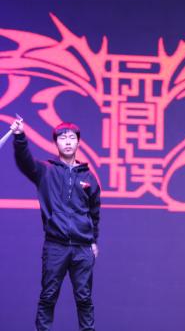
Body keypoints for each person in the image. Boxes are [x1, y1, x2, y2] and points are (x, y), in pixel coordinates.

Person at [11, 118, 100, 331]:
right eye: (62, 138)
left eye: (72, 138)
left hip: (82, 248)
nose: (67, 142)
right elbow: (25, 162)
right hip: (55, 246)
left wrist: (93, 241)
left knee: (84, 299)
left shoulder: (89, 177)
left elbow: (94, 212)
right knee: (48, 297)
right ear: (56, 143)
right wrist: (20, 136)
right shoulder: (46, 171)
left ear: (78, 142)